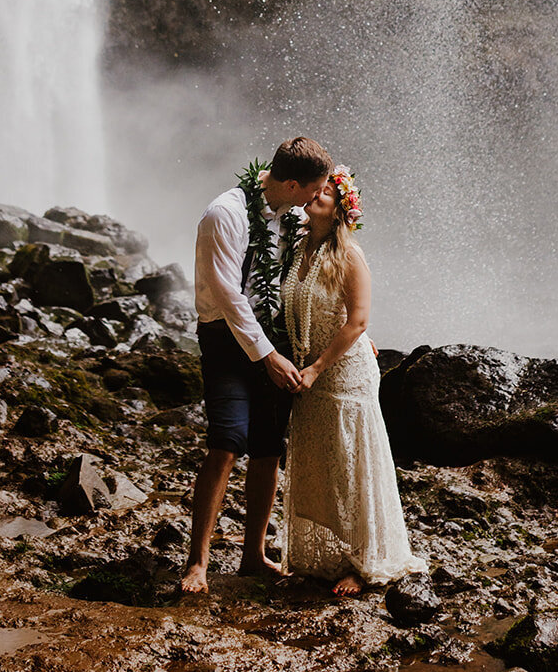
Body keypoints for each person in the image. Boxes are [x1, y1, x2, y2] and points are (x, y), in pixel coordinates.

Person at [180, 136, 333, 594]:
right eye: (311, 191)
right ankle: (198, 563)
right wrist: (266, 355)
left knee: (269, 449)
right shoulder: (223, 215)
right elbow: (228, 294)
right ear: (290, 183)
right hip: (225, 338)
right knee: (224, 444)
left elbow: (314, 273)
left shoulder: (290, 216)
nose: (313, 201)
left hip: (276, 336)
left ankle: (253, 555)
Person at [280, 166, 426, 594]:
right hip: (311, 371)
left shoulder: (349, 254)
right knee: (322, 463)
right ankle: (327, 554)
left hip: (340, 373)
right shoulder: (299, 246)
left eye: (327, 190)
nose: (317, 194)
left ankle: (361, 562)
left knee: (349, 464)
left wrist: (317, 366)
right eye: (316, 189)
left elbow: (359, 319)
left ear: (342, 207)